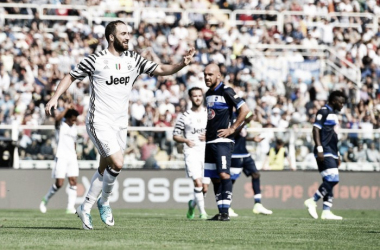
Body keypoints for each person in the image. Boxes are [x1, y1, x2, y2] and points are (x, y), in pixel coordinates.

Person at [45, 20, 195, 230]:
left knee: (105, 167)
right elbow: (70, 77)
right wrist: (54, 98)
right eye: (123, 33)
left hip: (120, 124)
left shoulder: (133, 59)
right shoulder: (96, 60)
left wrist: (182, 64)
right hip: (99, 121)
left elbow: (160, 68)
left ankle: (85, 207)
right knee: (118, 162)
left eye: (129, 33)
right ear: (111, 37)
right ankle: (102, 202)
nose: (128, 37)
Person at [203, 64, 249, 221]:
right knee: (214, 177)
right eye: (205, 74)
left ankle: (226, 212)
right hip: (209, 141)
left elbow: (245, 110)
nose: (207, 77)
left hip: (223, 141)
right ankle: (221, 210)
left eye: (210, 74)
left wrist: (232, 129)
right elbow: (212, 116)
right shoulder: (208, 94)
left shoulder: (227, 91)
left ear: (218, 76)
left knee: (223, 174)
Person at [304, 90, 346, 220]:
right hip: (325, 150)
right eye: (340, 103)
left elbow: (333, 136)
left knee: (328, 181)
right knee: (333, 179)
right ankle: (313, 200)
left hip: (332, 151)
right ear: (334, 101)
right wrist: (320, 148)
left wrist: (337, 154)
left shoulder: (333, 114)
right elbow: (316, 129)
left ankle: (326, 211)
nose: (342, 105)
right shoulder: (324, 111)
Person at [173, 87, 210, 220]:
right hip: (191, 152)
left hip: (206, 152)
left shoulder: (208, 113)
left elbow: (216, 131)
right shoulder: (185, 116)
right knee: (198, 183)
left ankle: (192, 204)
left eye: (200, 95)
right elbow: (175, 135)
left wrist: (208, 136)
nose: (198, 98)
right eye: (195, 96)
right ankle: (203, 213)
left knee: (205, 188)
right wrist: (185, 140)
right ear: (190, 98)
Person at [229, 111, 273, 217]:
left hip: (245, 154)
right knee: (231, 181)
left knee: (256, 174)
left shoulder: (243, 120)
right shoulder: (232, 119)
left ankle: (257, 204)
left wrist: (252, 139)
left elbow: (241, 137)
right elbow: (232, 134)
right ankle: (227, 206)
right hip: (235, 155)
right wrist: (244, 122)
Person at [39, 109, 80, 214]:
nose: (74, 121)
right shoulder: (60, 126)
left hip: (72, 157)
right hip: (61, 156)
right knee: (59, 183)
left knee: (73, 180)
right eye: (73, 119)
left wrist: (75, 153)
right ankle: (46, 199)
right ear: (68, 117)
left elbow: (74, 142)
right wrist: (66, 108)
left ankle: (70, 207)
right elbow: (57, 119)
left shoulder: (74, 128)